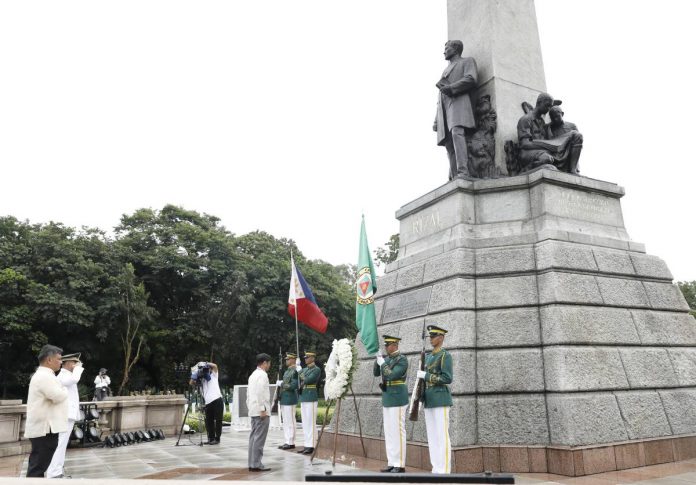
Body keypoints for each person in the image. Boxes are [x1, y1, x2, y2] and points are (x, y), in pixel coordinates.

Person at [433, 39, 478, 180]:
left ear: (456, 48)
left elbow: (471, 78)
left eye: (447, 48)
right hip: (444, 109)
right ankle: (454, 176)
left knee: (457, 134)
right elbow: (440, 95)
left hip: (458, 103)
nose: (444, 51)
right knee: (448, 143)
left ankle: (463, 172)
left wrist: (451, 88)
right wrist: (436, 119)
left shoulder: (467, 61)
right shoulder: (445, 69)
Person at [24, 344, 69, 478]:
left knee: (38, 464)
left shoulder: (45, 375)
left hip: (45, 428)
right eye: (59, 359)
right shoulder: (44, 376)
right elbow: (57, 395)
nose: (61, 362)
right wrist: (65, 390)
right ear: (49, 360)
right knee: (38, 467)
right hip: (45, 429)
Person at [416, 325, 453, 474]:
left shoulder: (445, 355)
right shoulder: (430, 356)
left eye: (434, 336)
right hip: (429, 398)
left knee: (442, 436)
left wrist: (426, 376)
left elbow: (447, 378)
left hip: (440, 398)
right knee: (432, 437)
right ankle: (436, 468)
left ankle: (444, 470)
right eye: (430, 336)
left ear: (441, 337)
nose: (431, 339)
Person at [517, 93, 583, 174]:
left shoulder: (542, 122)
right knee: (547, 159)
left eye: (550, 106)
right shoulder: (526, 119)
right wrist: (546, 146)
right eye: (547, 105)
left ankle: (573, 170)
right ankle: (525, 171)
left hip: (543, 151)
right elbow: (524, 144)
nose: (548, 109)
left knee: (576, 135)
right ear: (539, 103)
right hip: (527, 153)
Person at [45, 353, 84, 479]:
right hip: (64, 415)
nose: (76, 365)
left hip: (67, 415)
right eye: (74, 362)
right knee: (60, 444)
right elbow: (75, 379)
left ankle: (57, 471)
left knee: (62, 444)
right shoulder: (63, 376)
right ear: (67, 363)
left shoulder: (67, 375)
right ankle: (53, 473)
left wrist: (77, 368)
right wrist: (79, 369)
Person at [374, 335, 409, 473]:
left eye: (388, 345)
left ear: (395, 345)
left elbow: (392, 375)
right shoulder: (387, 359)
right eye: (385, 345)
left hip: (398, 398)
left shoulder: (402, 359)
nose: (386, 347)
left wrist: (382, 362)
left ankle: (400, 464)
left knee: (398, 431)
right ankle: (391, 462)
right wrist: (377, 359)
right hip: (388, 397)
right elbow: (376, 373)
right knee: (389, 432)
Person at [247, 353, 272, 472]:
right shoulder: (262, 375)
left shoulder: (253, 374)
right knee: (259, 439)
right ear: (264, 363)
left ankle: (252, 463)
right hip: (261, 411)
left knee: (253, 438)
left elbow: (249, 394)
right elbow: (260, 393)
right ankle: (256, 464)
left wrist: (251, 408)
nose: (269, 365)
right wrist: (262, 409)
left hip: (253, 410)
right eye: (269, 363)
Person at [189, 362, 223, 445]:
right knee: (209, 421)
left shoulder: (214, 376)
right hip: (208, 402)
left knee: (218, 420)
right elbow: (191, 383)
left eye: (207, 369)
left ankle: (217, 438)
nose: (206, 371)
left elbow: (215, 366)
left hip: (217, 399)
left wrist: (205, 363)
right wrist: (195, 372)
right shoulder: (202, 381)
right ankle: (211, 438)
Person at [296, 350, 321, 455]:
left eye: (307, 357)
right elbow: (302, 379)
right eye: (305, 357)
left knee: (310, 423)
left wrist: (299, 370)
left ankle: (311, 445)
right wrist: (299, 369)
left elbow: (306, 380)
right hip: (304, 397)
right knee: (305, 423)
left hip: (311, 397)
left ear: (312, 358)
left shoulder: (316, 369)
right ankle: (307, 444)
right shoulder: (305, 369)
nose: (305, 359)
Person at [277, 352, 299, 450]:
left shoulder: (295, 371)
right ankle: (287, 440)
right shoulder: (286, 371)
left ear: (293, 360)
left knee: (290, 421)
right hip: (284, 398)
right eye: (286, 359)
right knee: (285, 421)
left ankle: (291, 441)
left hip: (290, 398)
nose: (286, 361)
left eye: (288, 359)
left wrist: (281, 384)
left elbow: (293, 386)